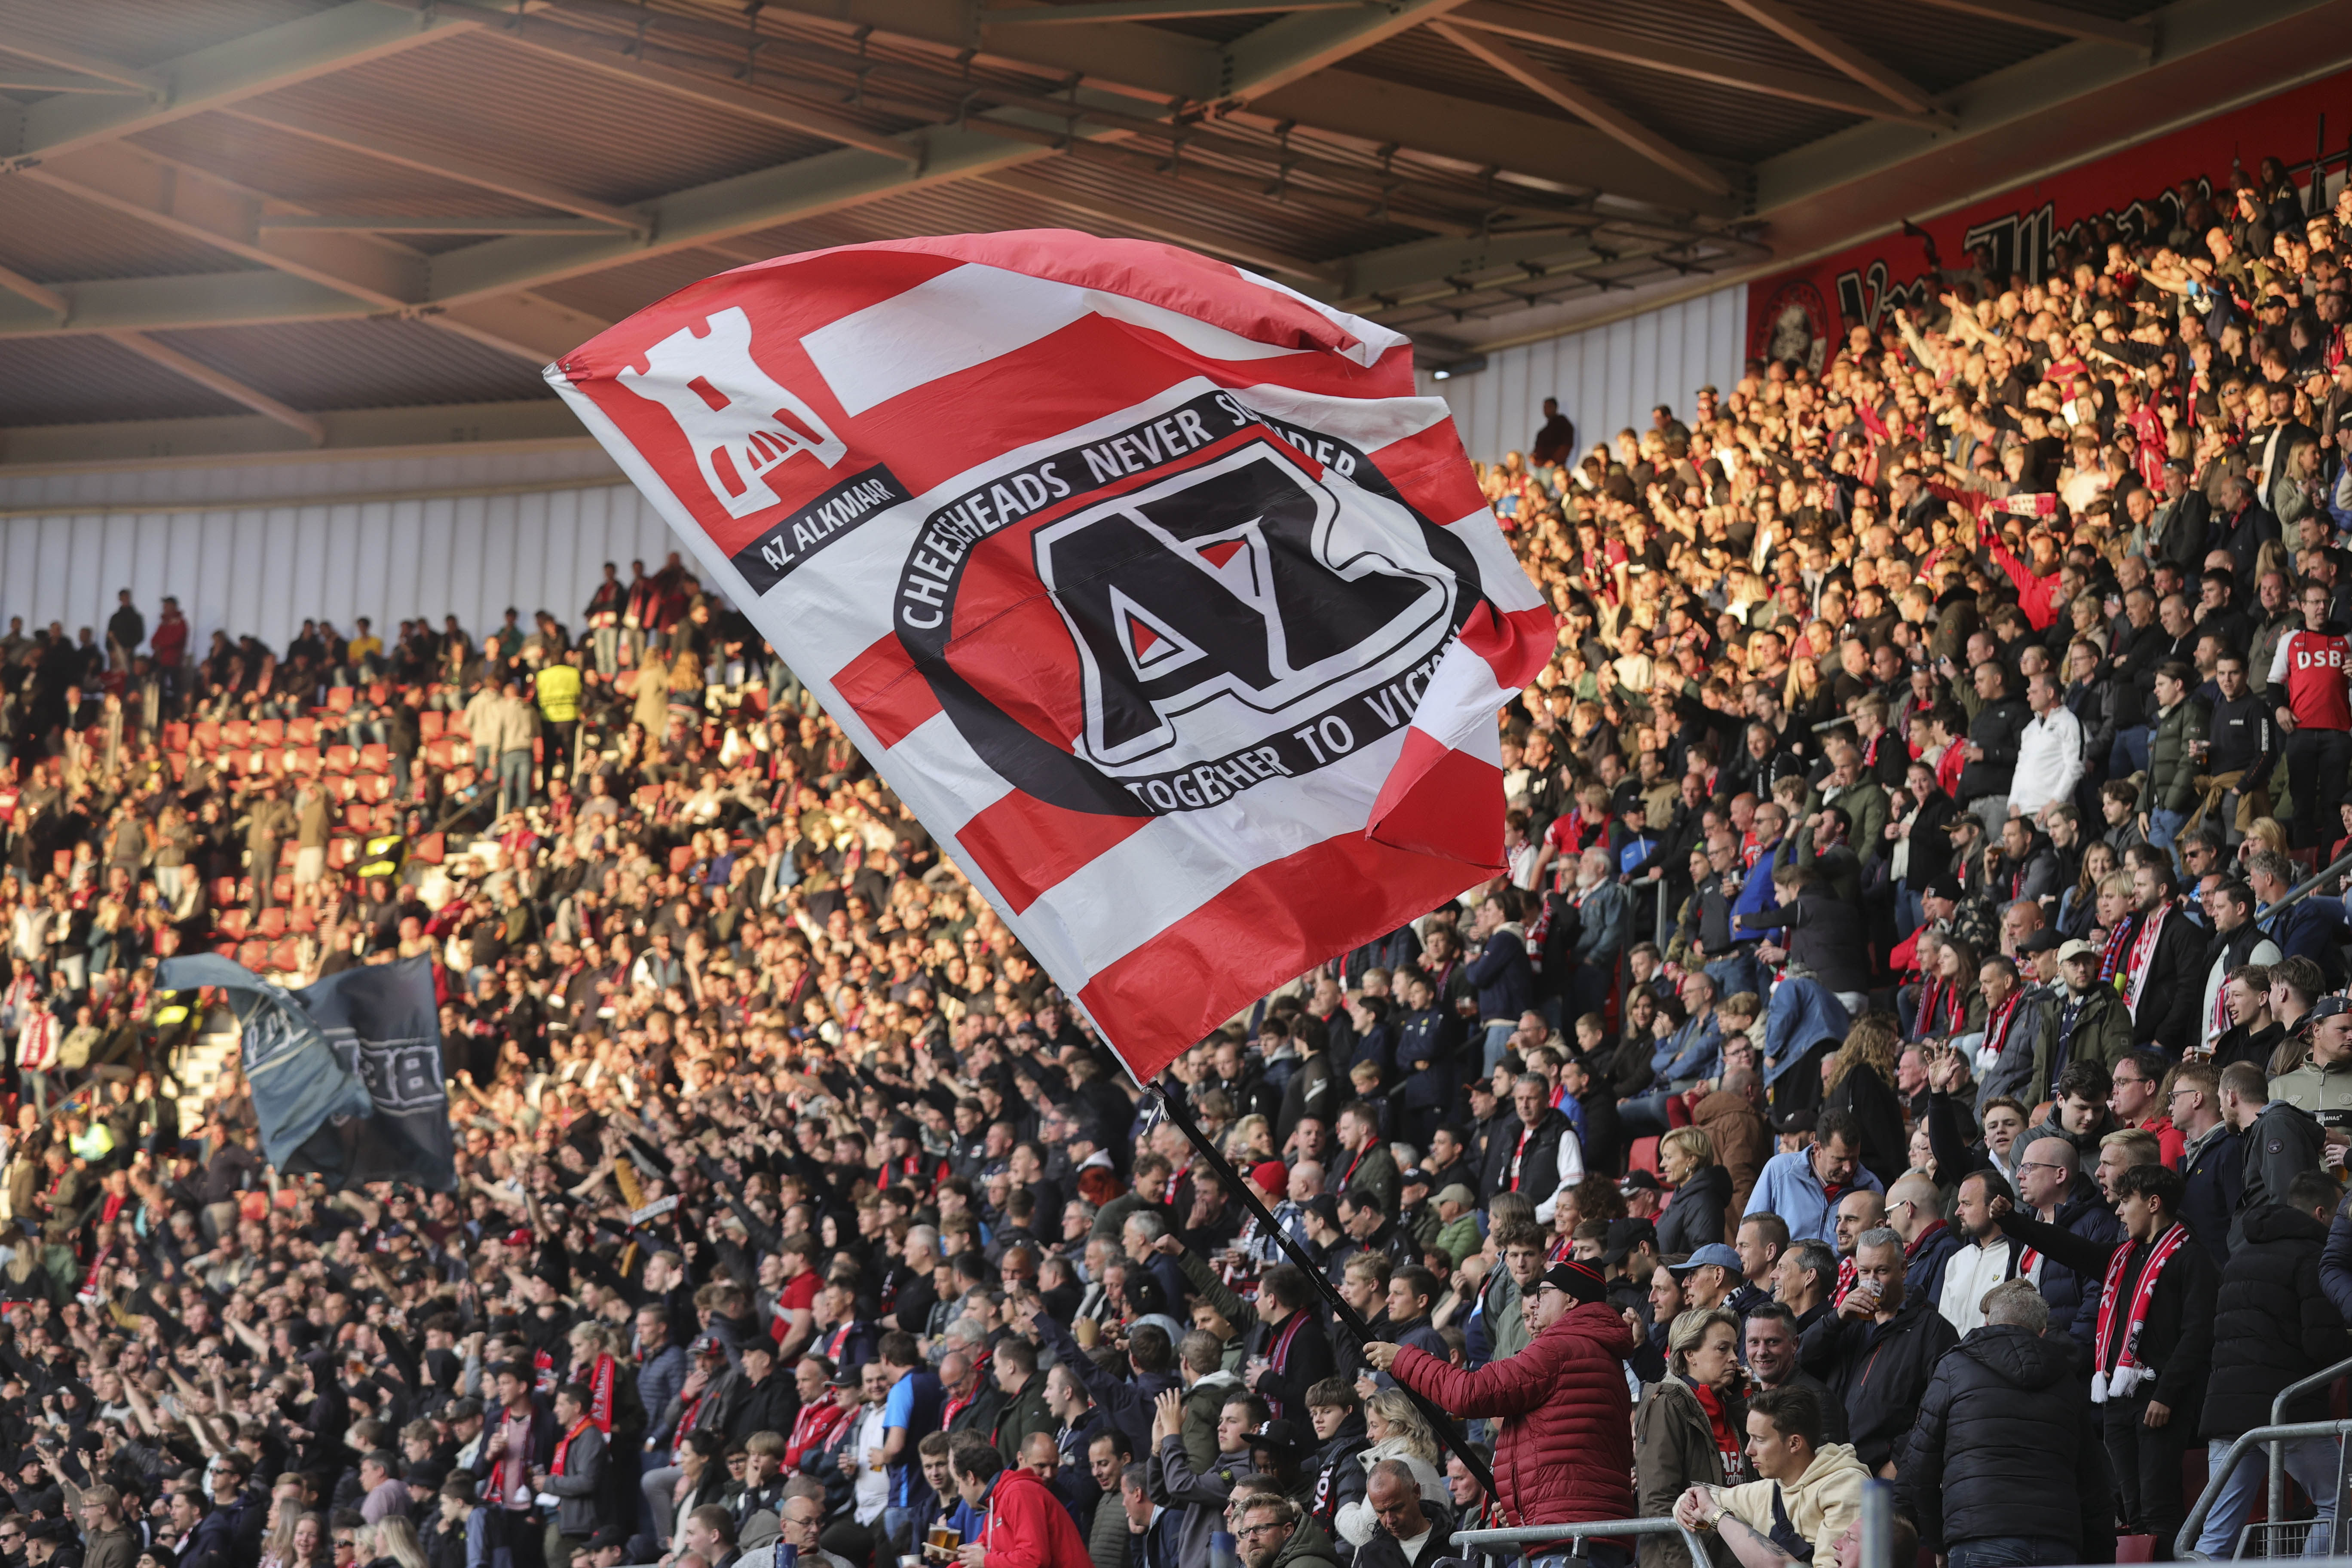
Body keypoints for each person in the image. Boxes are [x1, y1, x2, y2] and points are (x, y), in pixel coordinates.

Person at [1994, 1164, 2219, 1549]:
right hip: (2117, 1399)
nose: (2117, 1211)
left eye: (2125, 1201)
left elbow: (2198, 1334)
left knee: (2159, 1505)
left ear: (2153, 1204)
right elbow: (2067, 1246)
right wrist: (2014, 1222)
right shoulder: (2122, 1259)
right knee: (2131, 1508)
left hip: (2160, 1399)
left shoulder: (2190, 1258)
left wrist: (2167, 1393)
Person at [1365, 1262, 1635, 1556]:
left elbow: (1469, 1393)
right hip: (1591, 1527)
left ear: (1570, 1300)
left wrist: (1403, 1360)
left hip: (1567, 1532)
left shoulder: (1559, 1349)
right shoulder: (1601, 1354)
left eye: (1544, 1294)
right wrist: (1518, 1506)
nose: (1535, 1306)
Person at [1896, 1280, 2113, 1568]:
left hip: (1980, 1536)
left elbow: (1921, 1465)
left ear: (1988, 1323)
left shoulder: (1953, 1368)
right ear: (2043, 1333)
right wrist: (2100, 1558)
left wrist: (1938, 1539)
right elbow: (2093, 1483)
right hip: (2057, 1541)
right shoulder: (2067, 1381)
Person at [2195, 1172, 2352, 1557]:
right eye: (2341, 1217)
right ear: (2321, 1214)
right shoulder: (2314, 1258)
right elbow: (2321, 1344)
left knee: (2216, 1533)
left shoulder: (2241, 1254)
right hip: (2284, 1410)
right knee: (2341, 1506)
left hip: (2227, 1410)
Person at [1795, 1228, 1957, 1476]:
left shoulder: (1934, 1330)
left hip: (1882, 1474)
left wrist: (1897, 1463)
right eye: (1865, 1272)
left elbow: (1938, 1410)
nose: (1872, 1281)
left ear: (1903, 1270)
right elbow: (1798, 1361)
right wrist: (1835, 1319)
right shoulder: (1847, 1322)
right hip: (1829, 1468)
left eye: (1882, 1271)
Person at [1670, 1387, 1865, 1568]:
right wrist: (1685, 1505)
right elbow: (1700, 1500)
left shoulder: (1847, 1489)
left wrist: (1714, 1515)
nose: (1748, 1451)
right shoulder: (1768, 1489)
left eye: (1760, 1440)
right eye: (1750, 1438)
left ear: (1794, 1443)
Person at [1634, 1308, 1747, 1568]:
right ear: (1690, 1354)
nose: (1734, 1358)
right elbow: (1658, 1502)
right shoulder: (1666, 1404)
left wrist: (1741, 1402)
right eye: (1722, 1349)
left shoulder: (1731, 1405)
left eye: (1734, 1348)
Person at [948, 1433, 1091, 1568]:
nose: (960, 1492)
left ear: (971, 1478)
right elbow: (973, 1556)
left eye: (958, 1483)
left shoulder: (1020, 1492)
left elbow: (1034, 1559)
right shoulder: (996, 1503)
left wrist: (986, 1561)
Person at [1743, 1112, 1882, 1246]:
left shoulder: (1871, 1187)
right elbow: (1749, 1232)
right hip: (1786, 1268)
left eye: (1854, 1159)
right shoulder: (1779, 1171)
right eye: (1839, 1159)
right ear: (1818, 1149)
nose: (1848, 1168)